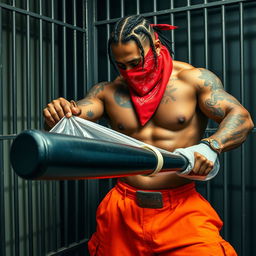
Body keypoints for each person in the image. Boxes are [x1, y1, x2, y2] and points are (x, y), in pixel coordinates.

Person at [43, 15, 253, 256]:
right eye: (122, 65)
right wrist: (58, 113)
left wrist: (210, 146)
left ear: (155, 45)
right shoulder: (108, 92)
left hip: (181, 209)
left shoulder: (193, 80)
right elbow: (74, 116)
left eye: (136, 62)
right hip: (122, 210)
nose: (130, 73)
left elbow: (240, 116)